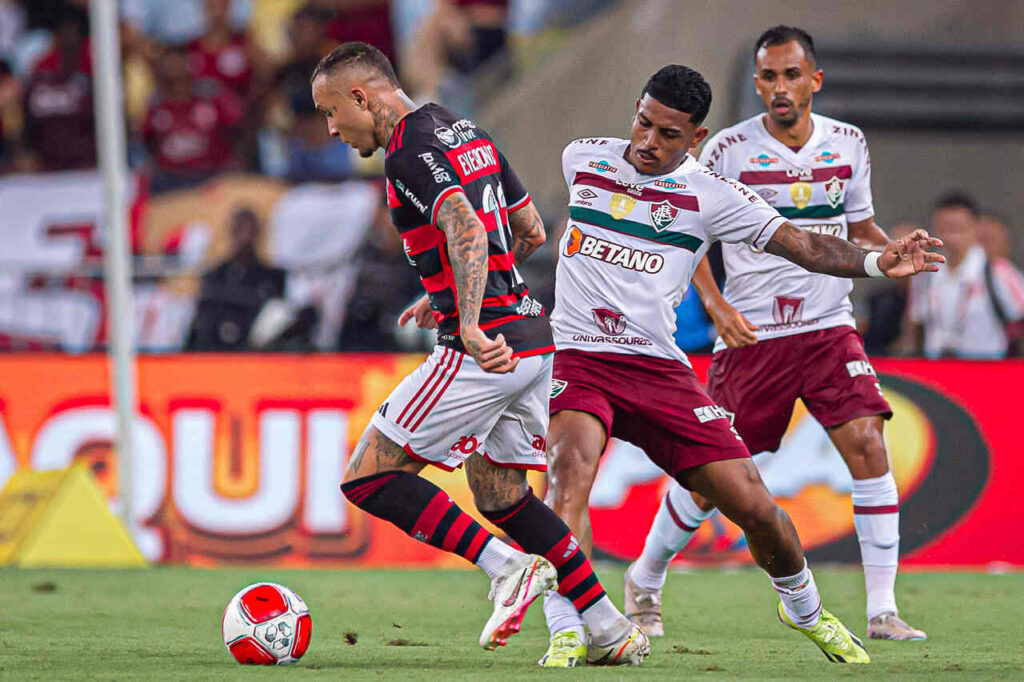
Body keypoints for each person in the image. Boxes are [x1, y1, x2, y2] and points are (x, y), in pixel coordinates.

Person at [538, 61, 943, 666]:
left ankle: (804, 607)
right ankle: (569, 626)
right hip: (580, 356)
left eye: (668, 135)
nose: (648, 143)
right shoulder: (582, 158)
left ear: (695, 139)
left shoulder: (713, 195)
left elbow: (807, 244)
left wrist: (878, 263)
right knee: (568, 475)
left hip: (657, 367)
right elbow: (515, 221)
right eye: (643, 124)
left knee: (753, 504)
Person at [310, 41, 647, 663]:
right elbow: (529, 231)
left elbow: (464, 225)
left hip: (483, 349)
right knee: (502, 497)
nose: (332, 128)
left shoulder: (409, 151)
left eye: (332, 112)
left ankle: (504, 569)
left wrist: (466, 319)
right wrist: (442, 290)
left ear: (362, 96)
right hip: (532, 340)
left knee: (368, 478)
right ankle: (607, 628)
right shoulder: (464, 130)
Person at [904, 193, 1024, 358]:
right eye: (943, 229)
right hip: (935, 368)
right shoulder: (924, 273)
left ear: (976, 228)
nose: (951, 237)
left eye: (958, 229)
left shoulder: (998, 271)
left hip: (987, 367)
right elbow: (916, 323)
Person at [187, 207, 286, 351]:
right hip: (214, 354)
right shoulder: (215, 276)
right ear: (231, 232)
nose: (245, 237)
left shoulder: (272, 277)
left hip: (255, 354)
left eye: (250, 230)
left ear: (258, 233)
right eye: (240, 229)